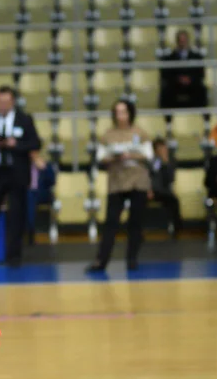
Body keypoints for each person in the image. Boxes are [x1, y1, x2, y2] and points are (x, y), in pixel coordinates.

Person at [86, 100, 153, 272]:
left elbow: (148, 154)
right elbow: (101, 156)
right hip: (116, 180)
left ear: (130, 113)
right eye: (117, 112)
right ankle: (102, 260)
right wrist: (116, 157)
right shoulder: (108, 135)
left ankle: (132, 259)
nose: (121, 115)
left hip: (137, 179)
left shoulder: (140, 133)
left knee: (135, 222)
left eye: (124, 112)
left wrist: (131, 154)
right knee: (111, 222)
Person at [0, 85, 41, 266]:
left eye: (6, 101)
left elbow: (36, 143)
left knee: (16, 215)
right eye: (0, 101)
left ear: (13, 101)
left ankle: (14, 256)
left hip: (17, 174)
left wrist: (16, 144)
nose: (3, 104)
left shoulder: (24, 119)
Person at [159, 30, 207, 109]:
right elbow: (166, 74)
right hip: (175, 85)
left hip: (192, 85)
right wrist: (178, 79)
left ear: (188, 41)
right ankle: (166, 118)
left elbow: (200, 73)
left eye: (184, 40)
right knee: (165, 91)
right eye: (180, 40)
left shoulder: (196, 56)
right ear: (177, 41)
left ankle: (202, 116)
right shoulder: (169, 58)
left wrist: (190, 79)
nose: (182, 42)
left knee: (201, 89)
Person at [148, 138, 182, 236]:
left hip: (164, 191)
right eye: (159, 148)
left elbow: (170, 179)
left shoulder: (171, 161)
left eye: (163, 147)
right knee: (138, 200)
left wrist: (166, 163)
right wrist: (148, 190)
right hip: (151, 190)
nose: (163, 150)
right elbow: (149, 176)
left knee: (174, 201)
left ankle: (176, 229)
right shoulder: (152, 161)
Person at [26, 151, 56, 245]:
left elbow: (52, 181)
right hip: (25, 192)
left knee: (29, 198)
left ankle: (30, 232)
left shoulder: (44, 164)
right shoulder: (23, 164)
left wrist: (44, 169)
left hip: (40, 193)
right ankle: (29, 232)